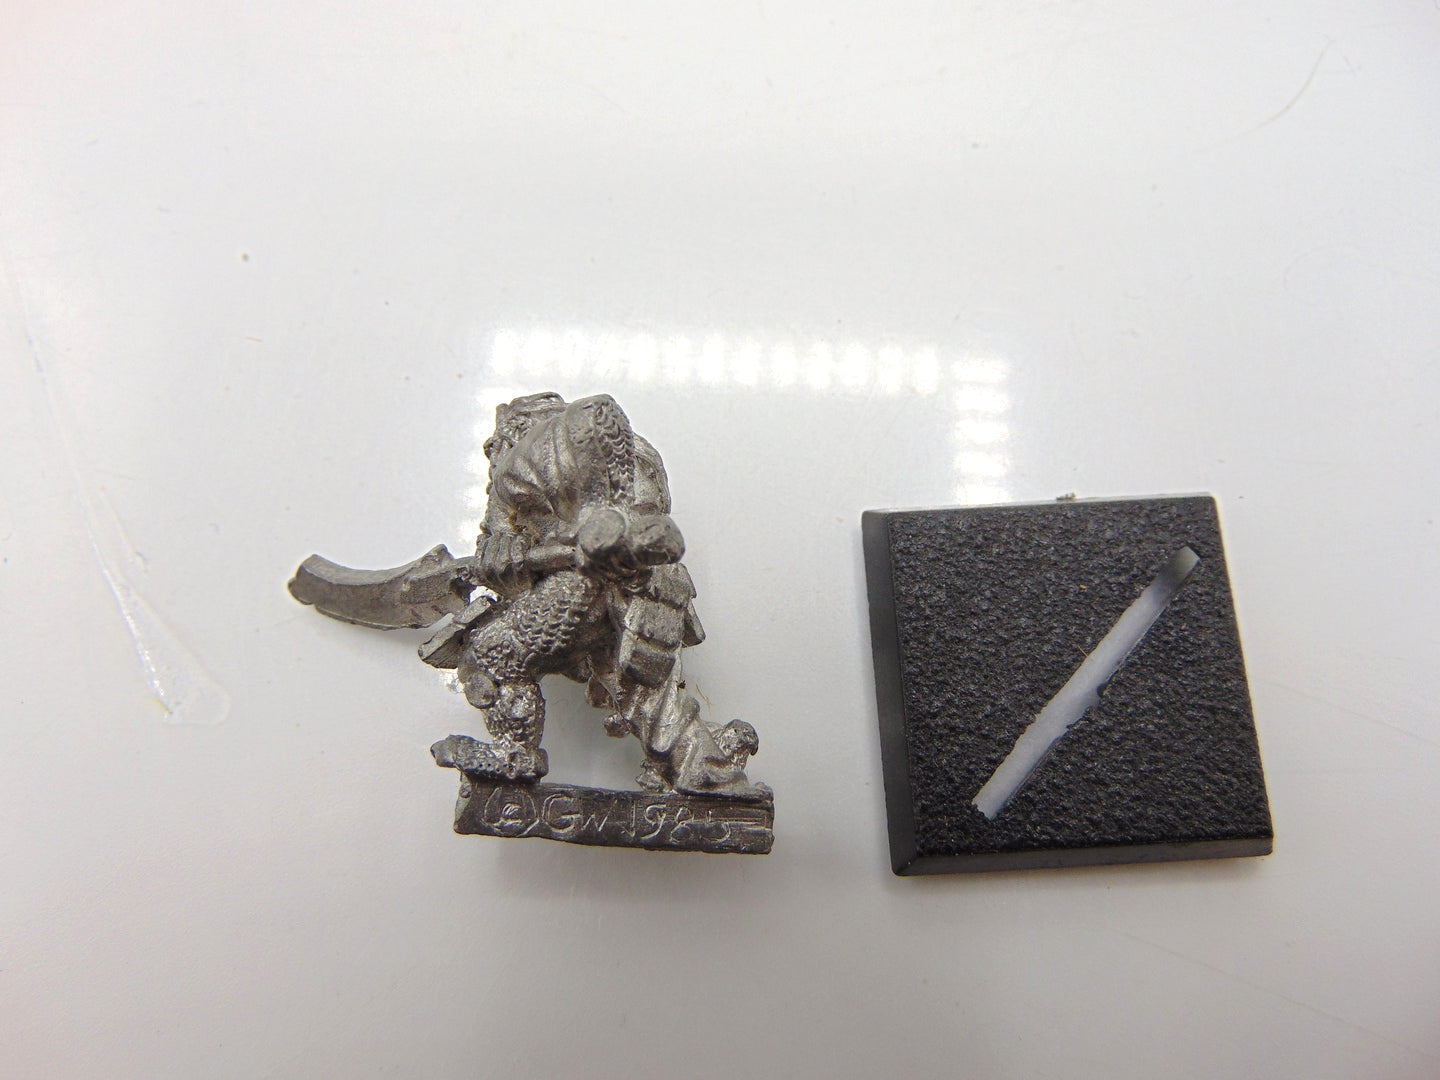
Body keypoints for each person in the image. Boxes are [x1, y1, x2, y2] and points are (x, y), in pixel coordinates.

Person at [437, 392, 762, 797]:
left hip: (597, 582)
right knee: (639, 687)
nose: (495, 457)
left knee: (490, 653)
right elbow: (503, 552)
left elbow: (634, 516)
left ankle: (514, 753)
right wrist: (508, 555)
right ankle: (706, 763)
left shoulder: (533, 459)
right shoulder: (601, 458)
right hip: (630, 581)